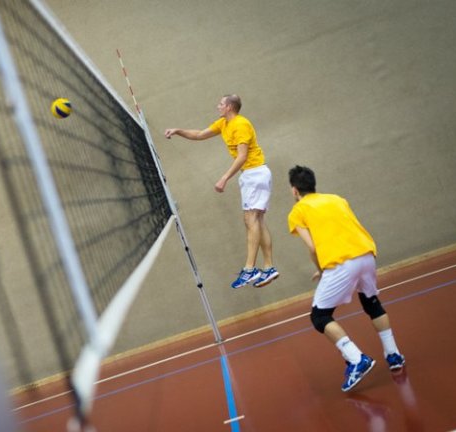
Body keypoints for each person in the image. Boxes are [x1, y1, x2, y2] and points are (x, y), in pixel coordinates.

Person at [287, 165, 406, 392]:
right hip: (366, 255)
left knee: (319, 316)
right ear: (313, 184)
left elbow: (313, 248)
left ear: (294, 190)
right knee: (372, 303)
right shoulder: (336, 199)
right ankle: (394, 355)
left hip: (342, 264)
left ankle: (355, 358)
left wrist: (322, 270)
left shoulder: (297, 211)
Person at [165, 94, 278, 289]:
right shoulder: (223, 124)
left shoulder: (241, 125)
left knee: (250, 220)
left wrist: (224, 177)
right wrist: (178, 131)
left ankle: (250, 269)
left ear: (229, 107)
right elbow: (200, 134)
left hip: (255, 173)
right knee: (257, 220)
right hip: (252, 175)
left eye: (221, 104)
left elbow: (242, 156)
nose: (217, 106)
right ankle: (268, 268)